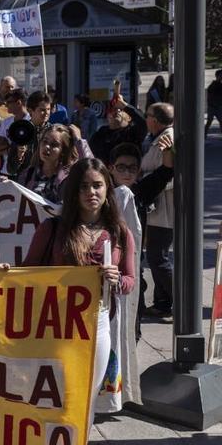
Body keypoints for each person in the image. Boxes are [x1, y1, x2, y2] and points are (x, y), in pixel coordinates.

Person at [0, 158, 135, 445]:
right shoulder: (53, 228)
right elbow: (29, 271)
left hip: (97, 326)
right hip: (56, 327)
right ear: (74, 191)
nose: (91, 192)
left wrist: (118, 280)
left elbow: (130, 281)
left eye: (98, 185)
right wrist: (4, 272)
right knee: (58, 397)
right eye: (84, 186)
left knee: (84, 400)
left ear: (107, 190)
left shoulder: (119, 232)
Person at [109, 140, 174, 336]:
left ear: (138, 172)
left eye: (132, 168)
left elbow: (166, 170)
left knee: (132, 328)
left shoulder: (141, 191)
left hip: (133, 267)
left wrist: (169, 150)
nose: (127, 172)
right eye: (121, 167)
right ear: (111, 168)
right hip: (107, 266)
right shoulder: (102, 191)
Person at [140, 102, 175, 323]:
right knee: (155, 256)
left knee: (157, 257)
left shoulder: (167, 139)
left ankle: (179, 300)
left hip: (163, 210)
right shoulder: (159, 136)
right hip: (157, 209)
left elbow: (170, 174)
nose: (145, 119)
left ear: (154, 120)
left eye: (148, 115)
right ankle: (163, 303)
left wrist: (145, 182)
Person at [16, 124, 78, 203]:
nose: (47, 147)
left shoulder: (68, 178)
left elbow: (92, 170)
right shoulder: (27, 175)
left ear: (63, 151)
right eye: (45, 141)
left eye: (54, 145)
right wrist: (5, 186)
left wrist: (79, 141)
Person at [89, 95, 147, 165]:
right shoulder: (99, 135)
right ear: (107, 116)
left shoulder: (133, 132)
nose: (116, 111)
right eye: (112, 109)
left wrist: (124, 105)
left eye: (121, 109)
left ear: (129, 117)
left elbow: (144, 123)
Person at [206, 69, 222, 137]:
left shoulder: (218, 85)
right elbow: (211, 96)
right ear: (217, 76)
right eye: (221, 75)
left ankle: (204, 134)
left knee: (220, 122)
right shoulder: (213, 85)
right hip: (213, 107)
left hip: (217, 106)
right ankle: (204, 134)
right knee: (209, 122)